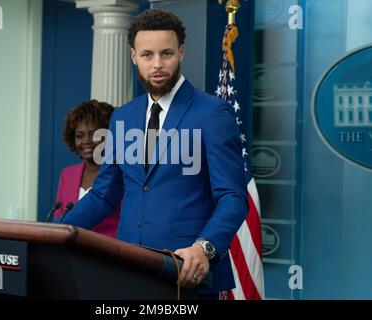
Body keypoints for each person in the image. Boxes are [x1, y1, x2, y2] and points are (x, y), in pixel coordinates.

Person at [60, 9, 248, 298]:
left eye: (167, 54)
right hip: (128, 270)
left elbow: (233, 197)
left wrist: (205, 248)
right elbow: (104, 195)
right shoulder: (122, 117)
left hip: (187, 274)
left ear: (182, 53)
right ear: (134, 56)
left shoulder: (213, 114)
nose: (158, 64)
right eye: (147, 55)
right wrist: (52, 234)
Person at [54, 100, 120, 238]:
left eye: (93, 134)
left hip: (109, 251)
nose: (86, 141)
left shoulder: (121, 172)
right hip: (71, 252)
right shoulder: (67, 174)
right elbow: (59, 217)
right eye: (79, 136)